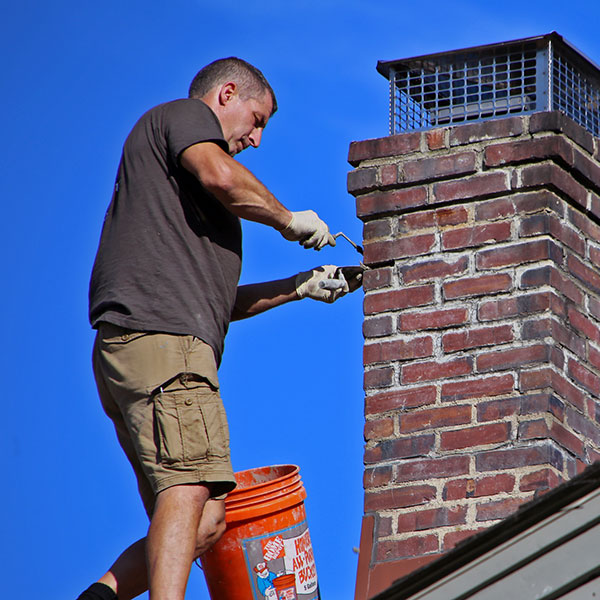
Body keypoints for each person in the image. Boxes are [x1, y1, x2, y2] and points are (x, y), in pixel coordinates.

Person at [77, 57, 361, 600]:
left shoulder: (189, 206)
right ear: (226, 94)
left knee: (202, 523)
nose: (256, 139)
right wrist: (287, 219)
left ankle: (101, 595)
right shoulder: (182, 118)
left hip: (140, 349)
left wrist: (301, 286)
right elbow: (219, 173)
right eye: (256, 120)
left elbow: (217, 303)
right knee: (188, 488)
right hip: (166, 349)